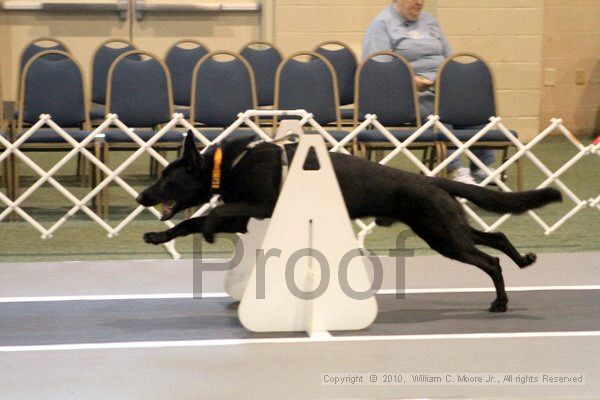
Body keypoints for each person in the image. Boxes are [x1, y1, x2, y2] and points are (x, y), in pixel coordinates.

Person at [362, 0, 495, 185]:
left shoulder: (429, 21)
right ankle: (454, 168)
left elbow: (449, 58)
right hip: (405, 94)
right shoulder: (382, 24)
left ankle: (482, 165)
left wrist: (451, 78)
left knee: (470, 104)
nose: (419, 3)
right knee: (439, 111)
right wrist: (411, 80)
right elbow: (380, 68)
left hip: (440, 86)